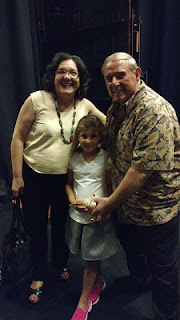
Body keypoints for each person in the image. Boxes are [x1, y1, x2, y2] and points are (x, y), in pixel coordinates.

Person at [11, 52, 106, 304]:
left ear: (80, 78)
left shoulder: (84, 105)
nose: (67, 77)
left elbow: (108, 125)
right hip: (35, 177)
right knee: (37, 227)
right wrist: (17, 177)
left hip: (65, 181)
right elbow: (18, 138)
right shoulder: (36, 100)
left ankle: (60, 264)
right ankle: (38, 274)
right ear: (53, 75)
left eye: (73, 73)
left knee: (64, 226)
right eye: (61, 71)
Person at [92, 52, 180, 320]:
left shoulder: (154, 111)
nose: (115, 82)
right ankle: (139, 282)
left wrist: (109, 203)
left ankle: (166, 313)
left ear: (137, 73)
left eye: (121, 75)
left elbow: (140, 172)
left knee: (164, 269)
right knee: (134, 253)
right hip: (128, 207)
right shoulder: (118, 107)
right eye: (109, 78)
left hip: (156, 209)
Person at [65, 115, 119, 320]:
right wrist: (72, 200)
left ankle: (83, 302)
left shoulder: (104, 157)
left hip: (97, 215)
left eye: (94, 136)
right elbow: (69, 183)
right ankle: (98, 282)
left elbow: (110, 185)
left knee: (89, 258)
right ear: (78, 136)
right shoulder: (74, 158)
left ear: (101, 138)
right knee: (88, 253)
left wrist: (108, 209)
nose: (88, 141)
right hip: (78, 215)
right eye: (84, 136)